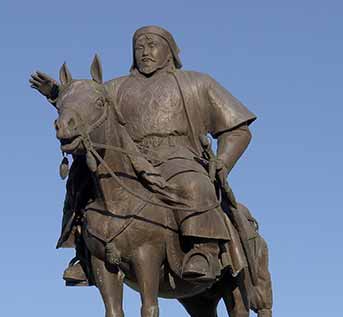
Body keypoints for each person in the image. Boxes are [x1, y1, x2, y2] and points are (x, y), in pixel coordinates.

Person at [32, 25, 256, 283]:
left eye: (152, 46)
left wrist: (222, 163)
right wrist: (56, 94)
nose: (145, 52)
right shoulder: (116, 87)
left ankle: (203, 250)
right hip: (129, 157)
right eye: (139, 47)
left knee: (194, 184)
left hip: (179, 157)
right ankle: (85, 254)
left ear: (169, 51)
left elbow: (238, 129)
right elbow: (84, 101)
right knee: (82, 175)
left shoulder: (197, 82)